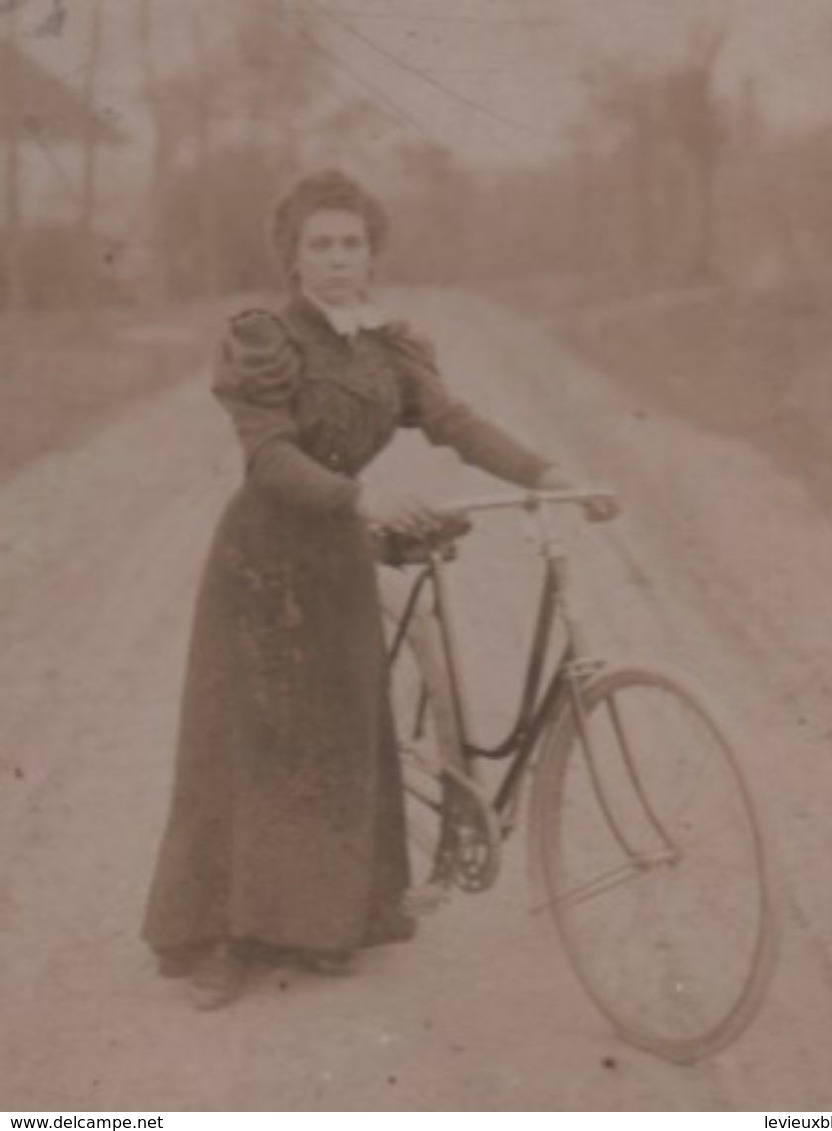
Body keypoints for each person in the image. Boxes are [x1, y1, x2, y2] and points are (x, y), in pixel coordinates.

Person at [141, 169, 583, 1010]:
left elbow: (454, 423)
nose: (339, 259)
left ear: (372, 253)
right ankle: (226, 937)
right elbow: (267, 455)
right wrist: (362, 497)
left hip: (340, 562)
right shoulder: (263, 337)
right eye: (321, 245)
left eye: (352, 243)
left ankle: (316, 925)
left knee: (338, 738)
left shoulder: (390, 345)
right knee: (251, 745)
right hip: (261, 559)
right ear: (293, 256)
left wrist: (548, 472)